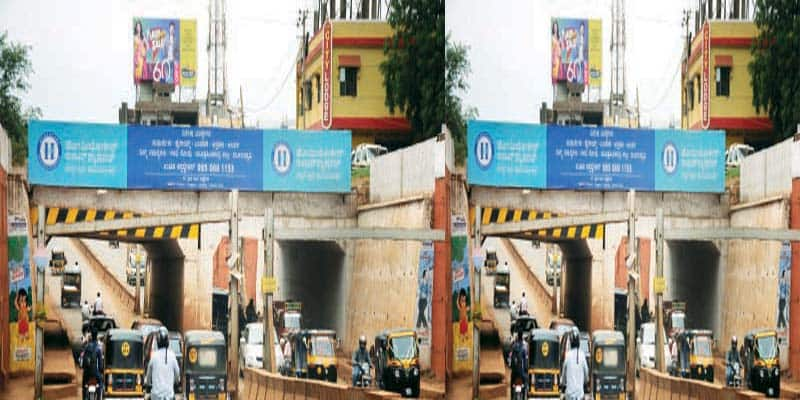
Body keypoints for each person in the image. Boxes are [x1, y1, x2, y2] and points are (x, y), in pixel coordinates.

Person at [145, 327, 180, 400]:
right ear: (168, 341)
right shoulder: (172, 355)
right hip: (169, 396)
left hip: (155, 396)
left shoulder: (154, 356)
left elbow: (148, 377)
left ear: (157, 341)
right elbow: (177, 375)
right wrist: (175, 382)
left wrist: (148, 384)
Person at [561, 331, 588, 400]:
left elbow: (563, 375)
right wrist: (585, 382)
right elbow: (586, 374)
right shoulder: (582, 355)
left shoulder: (568, 355)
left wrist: (563, 383)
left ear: (571, 342)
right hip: (580, 395)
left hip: (569, 395)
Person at [81, 326, 104, 399]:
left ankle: (84, 397)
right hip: (95, 373)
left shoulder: (87, 347)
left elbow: (83, 360)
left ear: (91, 335)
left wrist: (84, 367)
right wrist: (101, 371)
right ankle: (99, 397)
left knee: (84, 385)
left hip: (87, 373)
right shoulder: (98, 349)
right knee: (100, 384)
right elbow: (100, 365)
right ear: (96, 336)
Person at [508, 328, 529, 394]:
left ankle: (512, 396)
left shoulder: (514, 346)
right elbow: (525, 360)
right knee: (525, 384)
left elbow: (510, 358)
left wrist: (511, 367)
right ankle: (524, 395)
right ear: (522, 336)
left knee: (512, 384)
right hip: (521, 372)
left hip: (514, 372)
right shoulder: (524, 347)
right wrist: (526, 369)